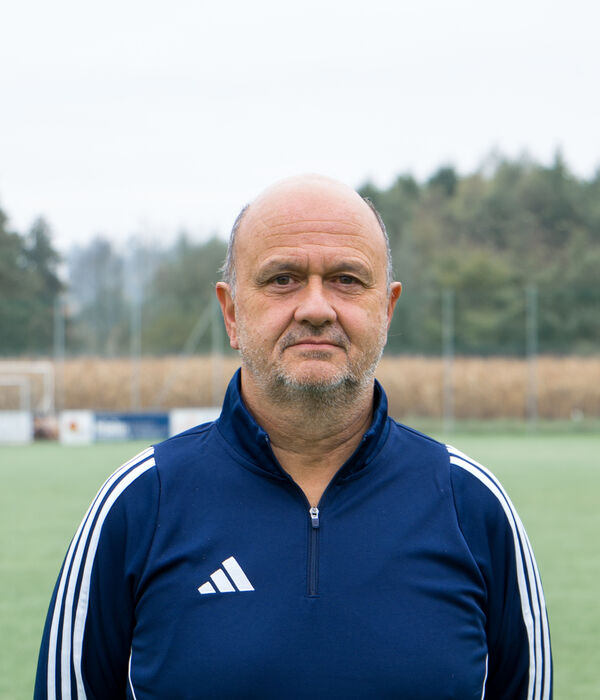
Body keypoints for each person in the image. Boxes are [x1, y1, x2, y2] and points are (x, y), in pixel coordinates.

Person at [35, 175, 552, 699]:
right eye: (282, 279)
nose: (316, 308)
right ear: (232, 313)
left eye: (347, 279)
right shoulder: (139, 504)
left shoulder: (472, 507)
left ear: (387, 310)